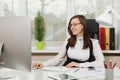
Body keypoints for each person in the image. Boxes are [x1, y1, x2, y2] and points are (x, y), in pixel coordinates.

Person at [33, 15, 105, 69]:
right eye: (70, 25)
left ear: (83, 25)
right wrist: (43, 64)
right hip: (67, 72)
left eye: (75, 24)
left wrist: (80, 65)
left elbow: (101, 63)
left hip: (84, 74)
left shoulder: (93, 43)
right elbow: (58, 59)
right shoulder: (68, 41)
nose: (72, 27)